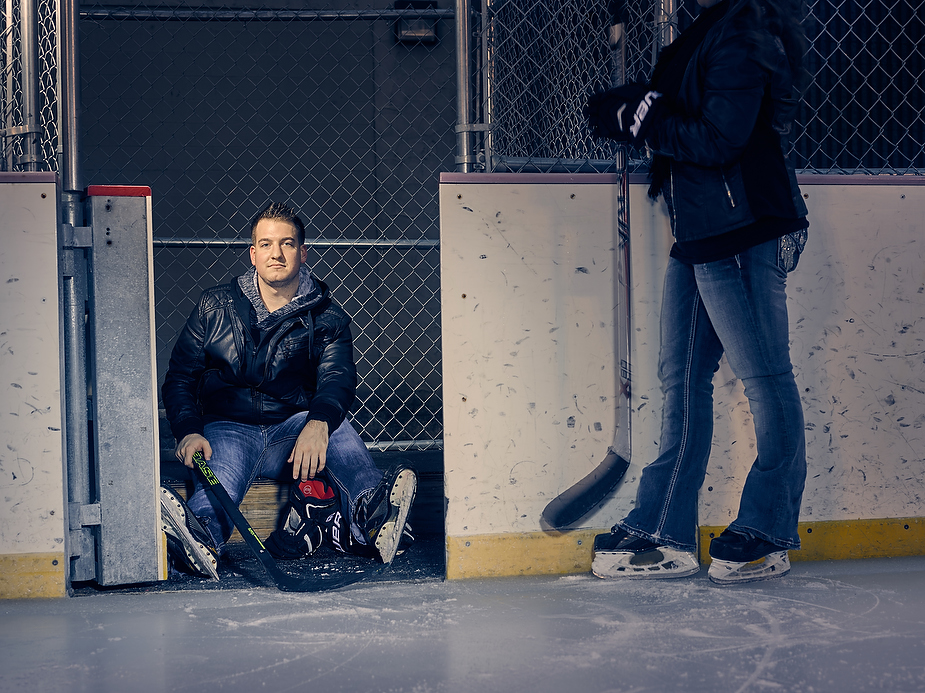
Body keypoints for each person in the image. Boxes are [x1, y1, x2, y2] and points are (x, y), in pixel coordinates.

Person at [584, 0, 809, 584]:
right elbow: (679, 111)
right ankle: (666, 527)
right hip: (702, 231)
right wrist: (635, 107)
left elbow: (720, 137)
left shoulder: (744, 29)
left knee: (765, 378)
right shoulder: (707, 31)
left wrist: (644, 118)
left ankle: (768, 527)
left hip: (741, 230)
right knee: (680, 379)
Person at [159, 202, 416, 579]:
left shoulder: (327, 316)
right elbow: (181, 376)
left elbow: (337, 379)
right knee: (221, 482)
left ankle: (373, 517)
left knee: (338, 431)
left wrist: (318, 423)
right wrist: (188, 430)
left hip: (292, 431)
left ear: (302, 252)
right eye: (265, 244)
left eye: (287, 244)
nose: (275, 254)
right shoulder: (215, 306)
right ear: (253, 253)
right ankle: (199, 538)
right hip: (229, 428)